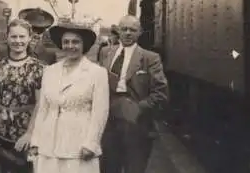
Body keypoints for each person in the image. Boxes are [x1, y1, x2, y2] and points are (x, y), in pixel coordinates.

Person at [29, 22, 109, 173]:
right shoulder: (50, 71)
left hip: (79, 145)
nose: (70, 46)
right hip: (48, 144)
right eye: (66, 42)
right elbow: (43, 109)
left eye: (75, 42)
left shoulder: (96, 73)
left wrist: (91, 143)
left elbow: (100, 112)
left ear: (83, 45)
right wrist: (36, 140)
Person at [100, 15, 169, 173]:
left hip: (135, 123)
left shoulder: (150, 58)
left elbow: (161, 93)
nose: (128, 33)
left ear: (139, 33)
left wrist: (138, 109)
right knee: (108, 167)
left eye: (133, 30)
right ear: (118, 31)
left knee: (134, 168)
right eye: (124, 29)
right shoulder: (105, 53)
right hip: (108, 122)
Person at [0, 18, 44, 173]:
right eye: (13, 36)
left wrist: (29, 134)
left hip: (23, 136)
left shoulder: (38, 69)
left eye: (22, 37)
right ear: (7, 38)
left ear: (29, 38)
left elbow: (41, 103)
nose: (17, 41)